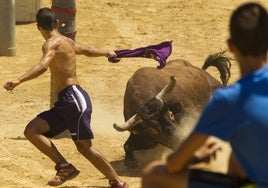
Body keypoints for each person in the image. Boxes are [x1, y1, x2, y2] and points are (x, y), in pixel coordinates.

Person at [142, 2, 268, 188]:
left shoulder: (229, 99)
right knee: (238, 156)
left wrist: (197, 156)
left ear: (231, 46)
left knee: (153, 174)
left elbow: (175, 164)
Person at [3, 7, 127, 188]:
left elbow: (43, 65)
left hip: (73, 99)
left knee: (85, 147)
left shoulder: (50, 44)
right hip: (67, 101)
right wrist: (107, 52)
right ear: (56, 23)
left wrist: (18, 80)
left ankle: (118, 182)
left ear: (38, 27)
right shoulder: (66, 41)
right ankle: (64, 166)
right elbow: (87, 50)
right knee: (32, 130)